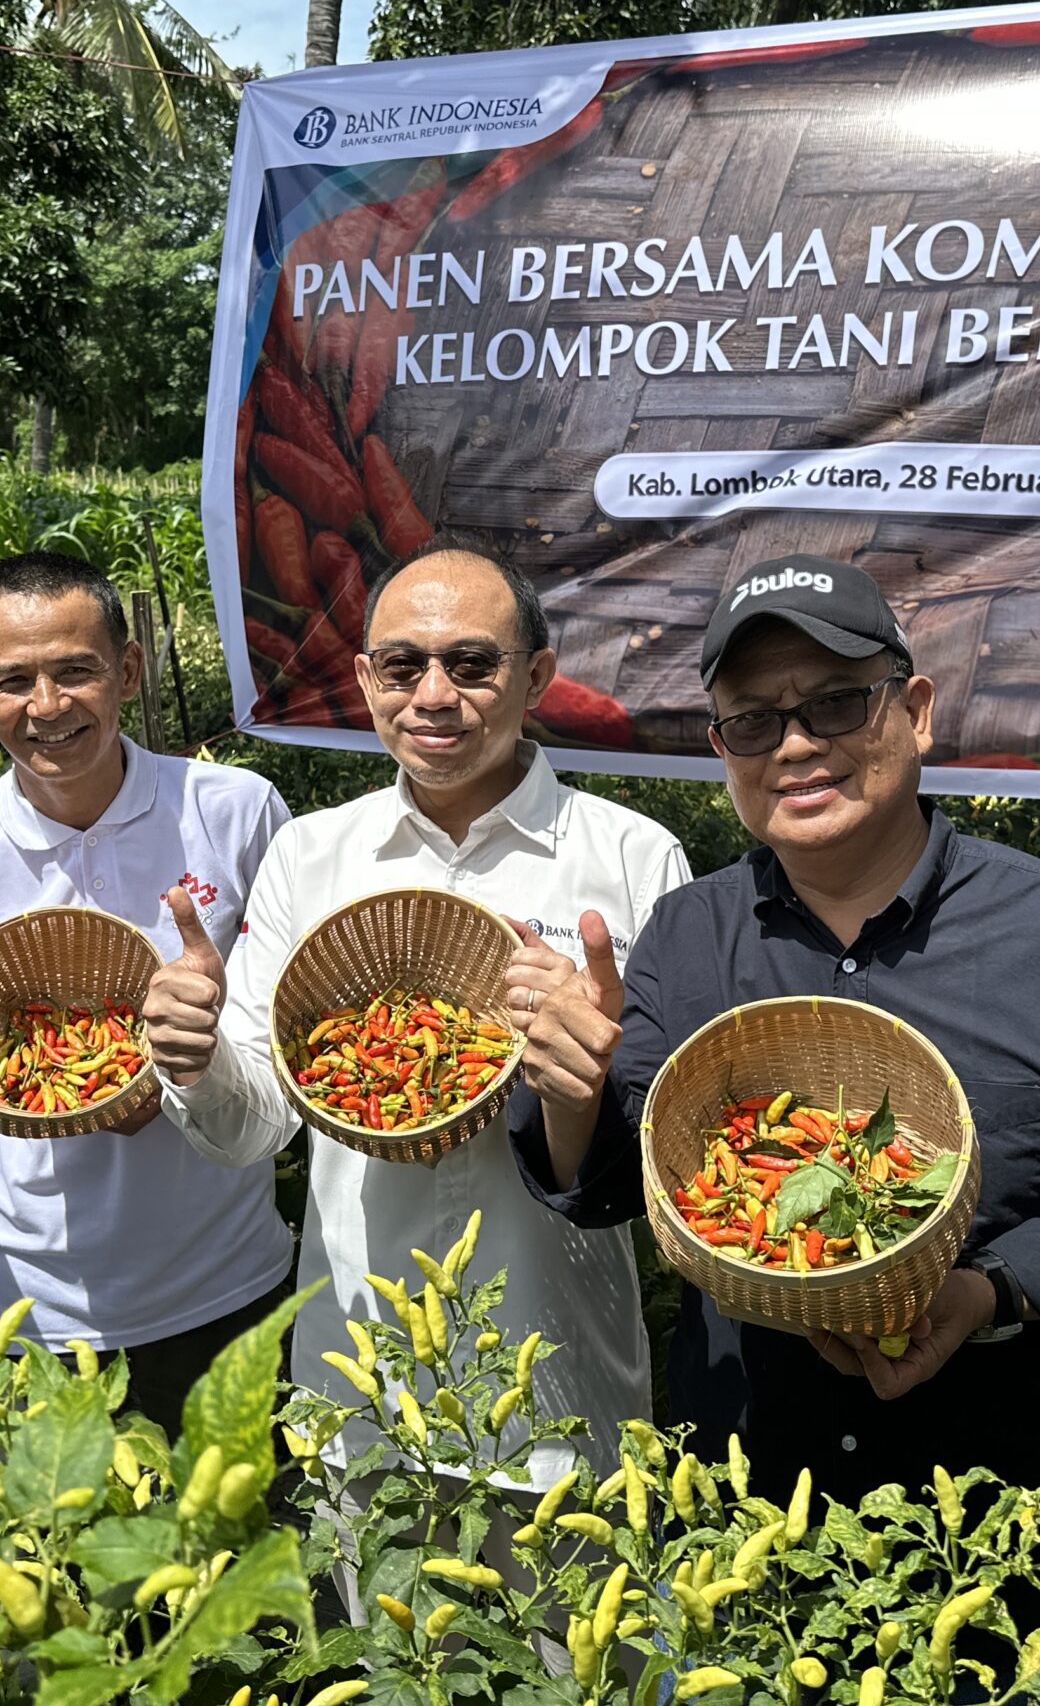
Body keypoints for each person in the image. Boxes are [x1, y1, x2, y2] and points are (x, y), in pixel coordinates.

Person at [508, 554, 1040, 1497]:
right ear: (722, 747)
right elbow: (614, 1184)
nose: (797, 745)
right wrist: (571, 1093)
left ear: (917, 710)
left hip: (1002, 1523)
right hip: (736, 1513)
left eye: (837, 704)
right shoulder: (688, 935)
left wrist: (989, 1290)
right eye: (754, 721)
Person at [141, 536, 691, 1493]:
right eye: (403, 665)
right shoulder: (314, 856)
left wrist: (590, 1079)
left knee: (580, 1642)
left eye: (472, 664)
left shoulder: (633, 861)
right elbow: (254, 1123)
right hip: (361, 1398)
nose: (434, 695)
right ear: (365, 679)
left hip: (559, 1400)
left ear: (537, 678)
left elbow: (666, 1156)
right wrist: (194, 1060)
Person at [0, 552, 294, 1427]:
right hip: (26, 1301)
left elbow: (285, 1035)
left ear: (128, 668)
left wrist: (189, 1067)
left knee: (237, 1550)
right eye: (14, 681)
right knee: (53, 1557)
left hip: (222, 1280)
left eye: (76, 671)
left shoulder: (234, 811)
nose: (47, 708)